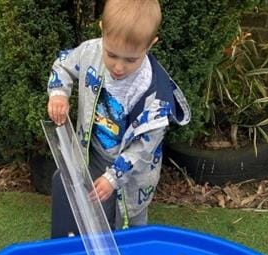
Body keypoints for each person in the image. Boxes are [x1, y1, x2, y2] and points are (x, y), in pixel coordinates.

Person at [46, 0, 190, 238]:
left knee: (130, 220)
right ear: (102, 30)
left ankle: (131, 250)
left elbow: (144, 148)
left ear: (150, 44)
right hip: (92, 155)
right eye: (111, 55)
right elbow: (64, 66)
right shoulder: (91, 51)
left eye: (131, 60)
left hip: (132, 175)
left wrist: (113, 177)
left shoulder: (155, 98)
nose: (119, 67)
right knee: (91, 209)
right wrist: (59, 93)